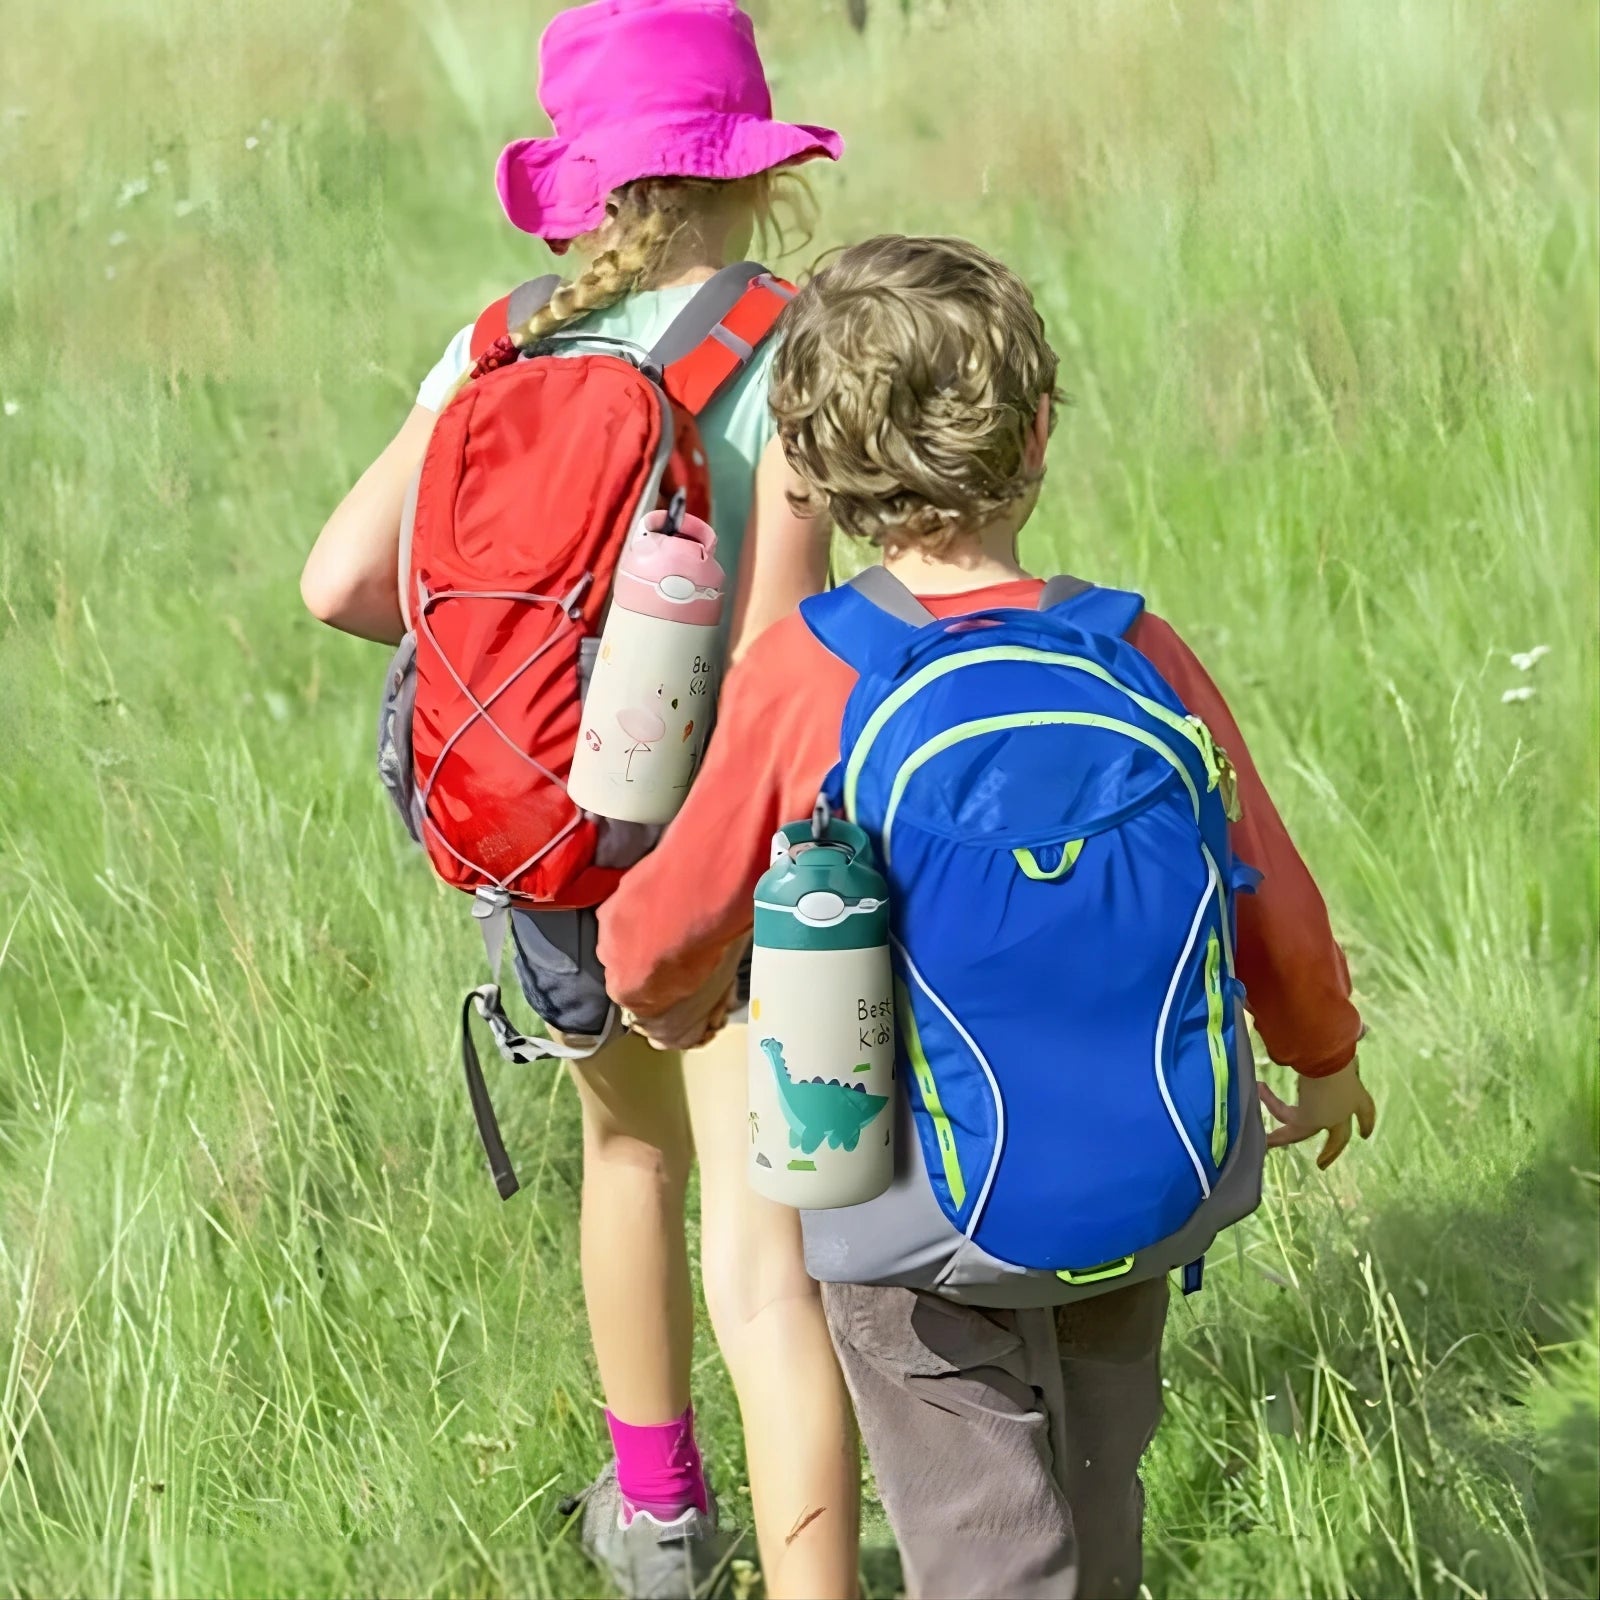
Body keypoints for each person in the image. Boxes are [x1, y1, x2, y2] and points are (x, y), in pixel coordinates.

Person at [599, 233, 1377, 1599]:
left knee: (986, 1542)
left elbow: (664, 925)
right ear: (1039, 434)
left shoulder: (810, 672)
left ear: (812, 469)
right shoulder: (1134, 649)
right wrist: (1325, 1056)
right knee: (1098, 1489)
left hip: (911, 1225)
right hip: (1139, 1177)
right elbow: (1269, 887)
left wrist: (667, 997)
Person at [301, 4, 861, 1596]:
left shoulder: (500, 342)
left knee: (626, 1158)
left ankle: (660, 1524)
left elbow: (339, 583)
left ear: (585, 184)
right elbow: (775, 652)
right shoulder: (788, 342)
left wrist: (532, 663)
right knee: (765, 1256)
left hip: (551, 837)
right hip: (728, 849)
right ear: (753, 169)